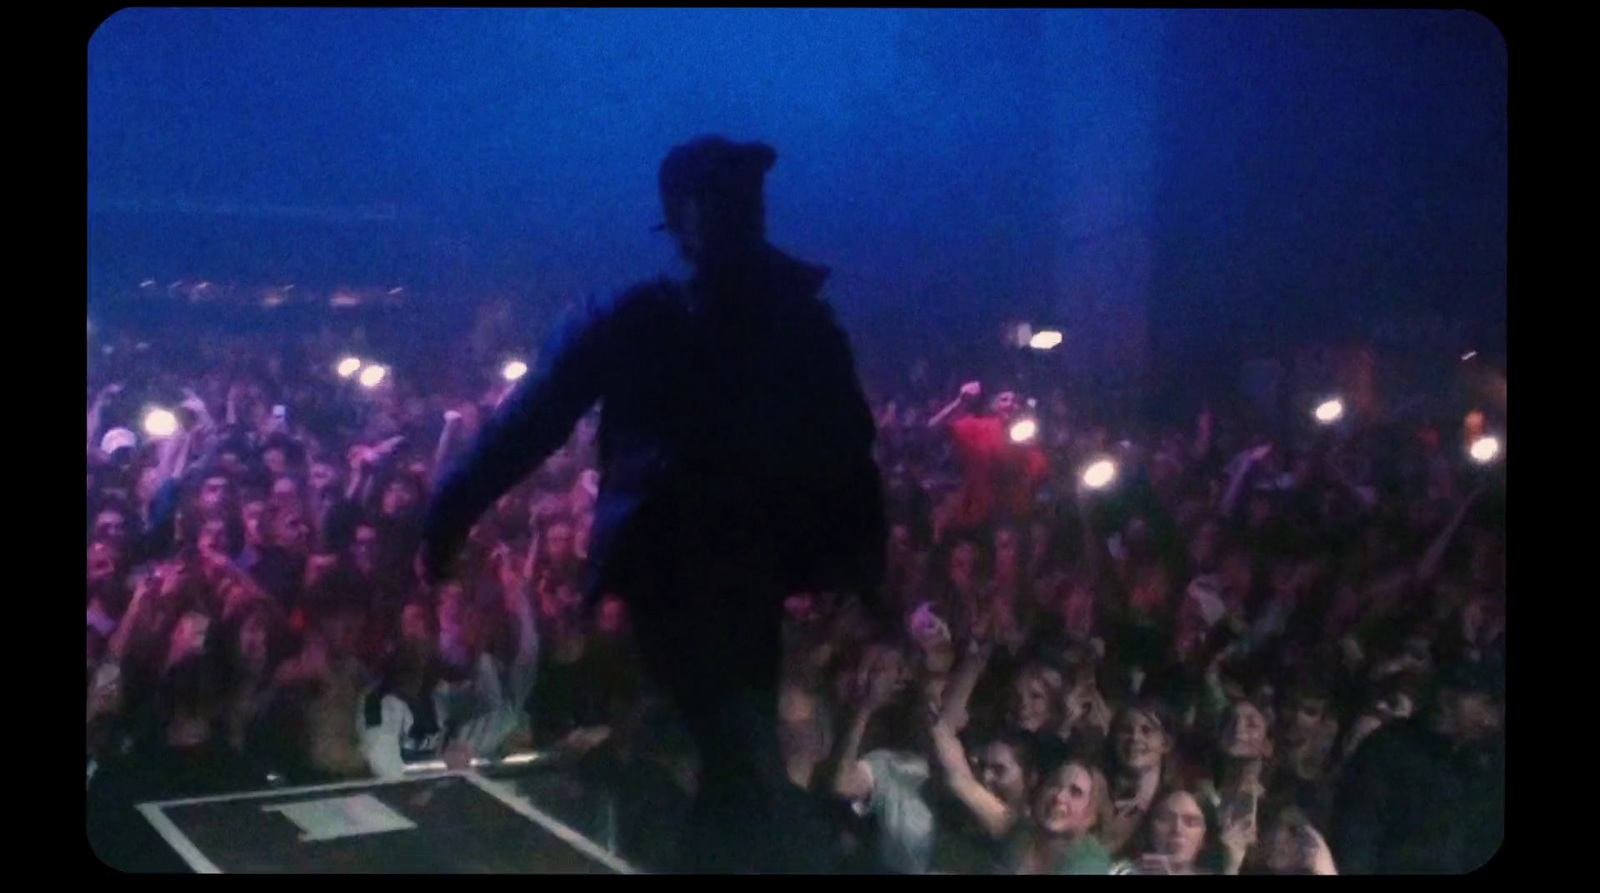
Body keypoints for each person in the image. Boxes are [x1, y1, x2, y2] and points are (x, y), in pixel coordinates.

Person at [419, 135, 887, 873]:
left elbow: (848, 449)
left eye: (752, 196)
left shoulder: (793, 318)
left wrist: (869, 580)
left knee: (735, 753)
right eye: (727, 196)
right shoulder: (638, 318)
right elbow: (528, 424)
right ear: (686, 215)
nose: (748, 211)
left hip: (746, 571)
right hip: (677, 569)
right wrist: (446, 514)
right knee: (740, 751)